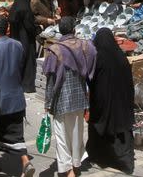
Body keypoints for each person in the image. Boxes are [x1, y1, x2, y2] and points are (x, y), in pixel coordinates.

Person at [43, 17, 96, 177]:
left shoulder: (55, 50)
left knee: (61, 137)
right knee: (76, 133)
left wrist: (48, 102)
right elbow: (93, 57)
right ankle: (76, 164)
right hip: (79, 98)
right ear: (74, 30)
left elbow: (51, 81)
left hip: (61, 100)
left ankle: (68, 170)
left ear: (60, 30)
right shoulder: (85, 46)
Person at [0, 16, 34, 177]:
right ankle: (25, 162)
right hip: (17, 98)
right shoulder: (18, 45)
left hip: (0, 100)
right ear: (7, 29)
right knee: (17, 134)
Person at [87, 28, 135, 174]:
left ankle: (99, 156)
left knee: (101, 125)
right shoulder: (121, 56)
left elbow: (91, 79)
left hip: (104, 102)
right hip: (122, 102)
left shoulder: (98, 56)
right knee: (121, 127)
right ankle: (124, 162)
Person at [8, 0, 40, 93]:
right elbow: (30, 27)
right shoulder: (26, 10)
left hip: (15, 40)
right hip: (26, 41)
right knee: (28, 63)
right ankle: (27, 86)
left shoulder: (14, 9)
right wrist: (39, 29)